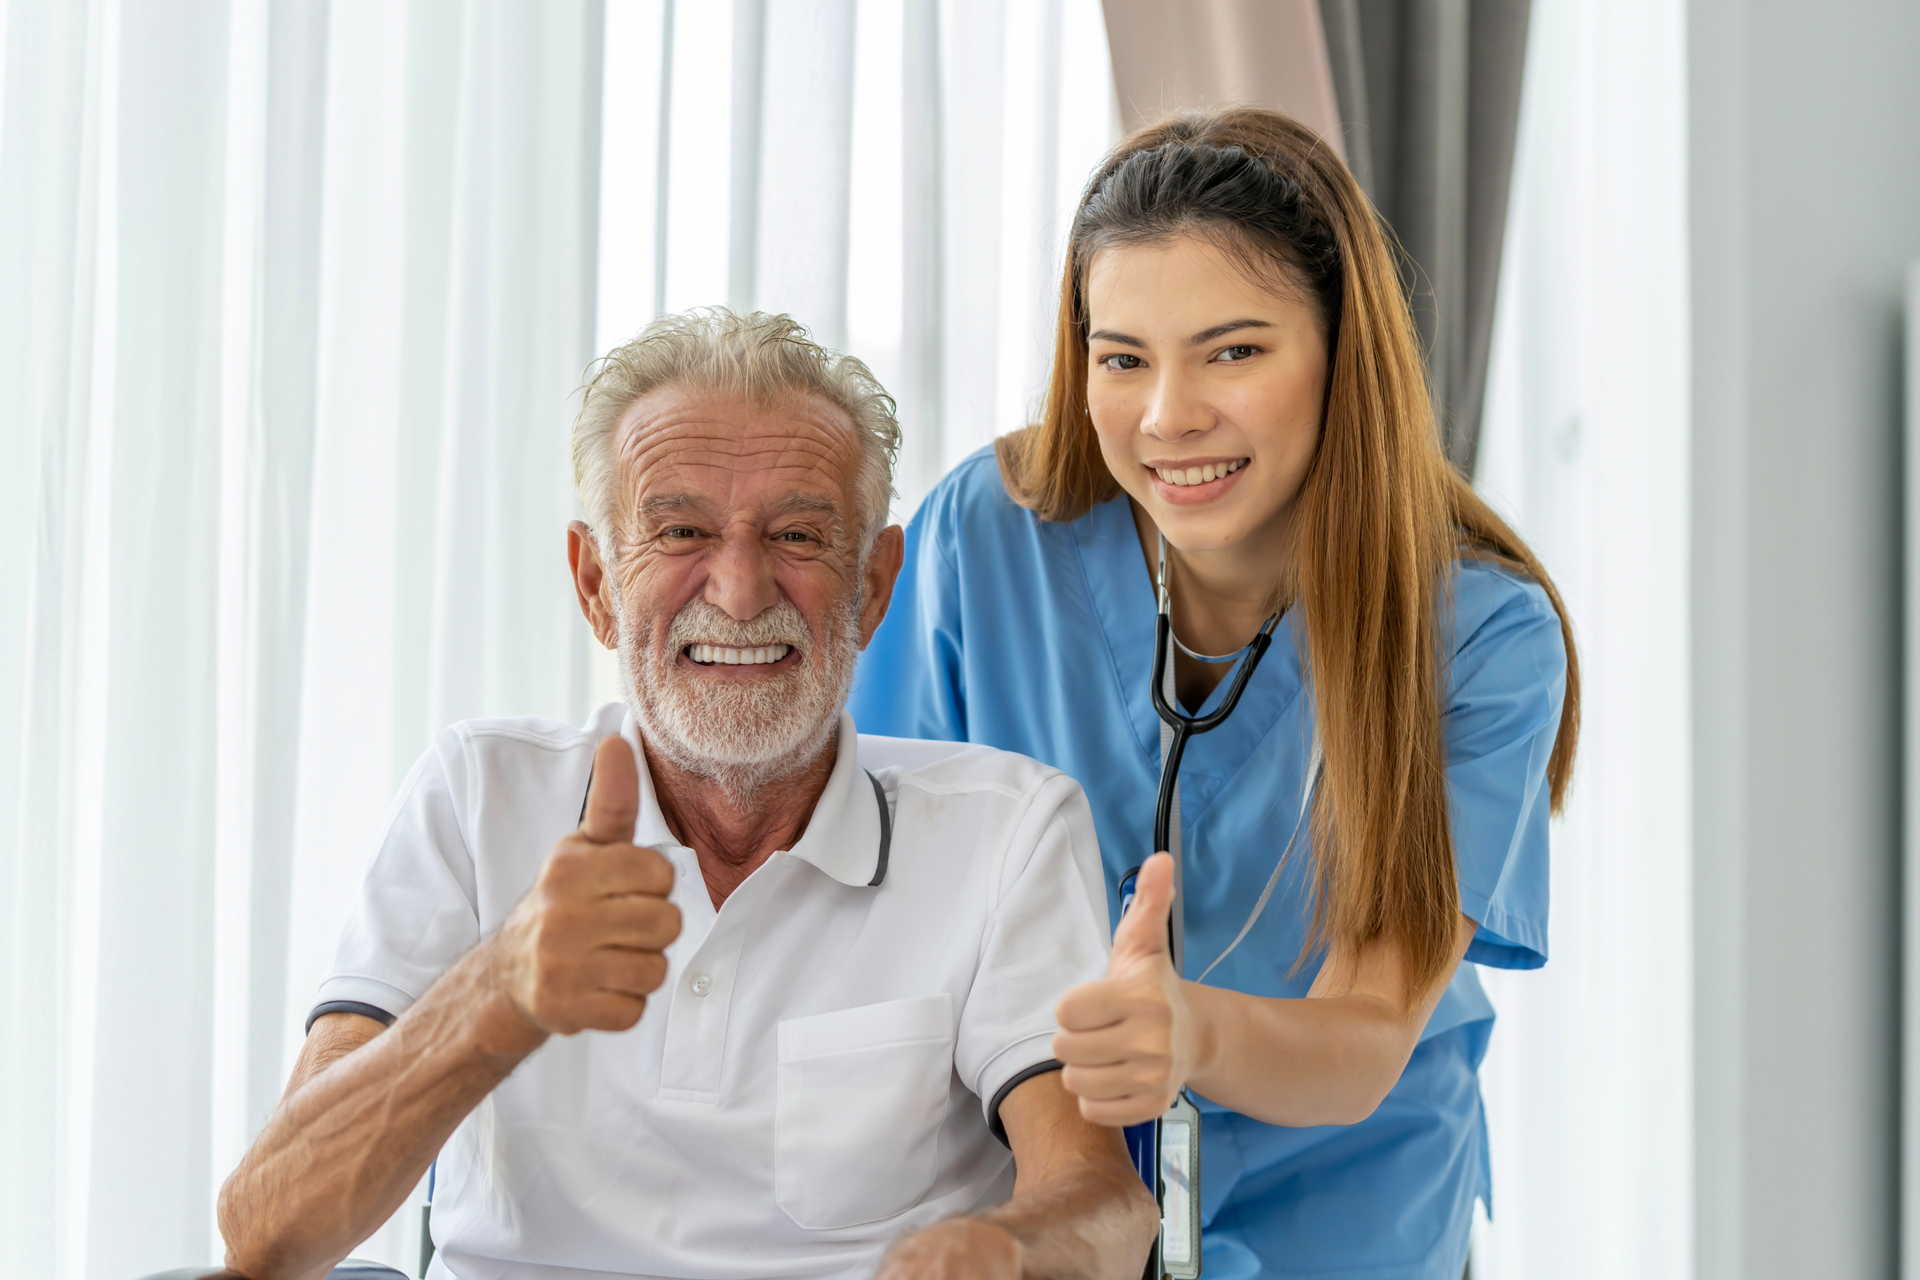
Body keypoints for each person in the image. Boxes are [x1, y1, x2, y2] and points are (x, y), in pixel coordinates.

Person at [218, 310, 1158, 1280]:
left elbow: (1103, 1204)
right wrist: (498, 989)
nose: (743, 589)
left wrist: (1005, 1245)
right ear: (594, 583)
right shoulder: (475, 792)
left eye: (797, 534)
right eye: (680, 531)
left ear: (874, 588)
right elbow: (267, 1230)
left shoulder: (1008, 827)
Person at [849, 107, 1578, 1280]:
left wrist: (1189, 1027)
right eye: (1122, 355)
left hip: (1349, 1200)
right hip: (1049, 1177)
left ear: (1342, 352)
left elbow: (1369, 1031)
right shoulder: (986, 537)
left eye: (1233, 351)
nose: (1166, 415)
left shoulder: (1480, 638)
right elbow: (877, 895)